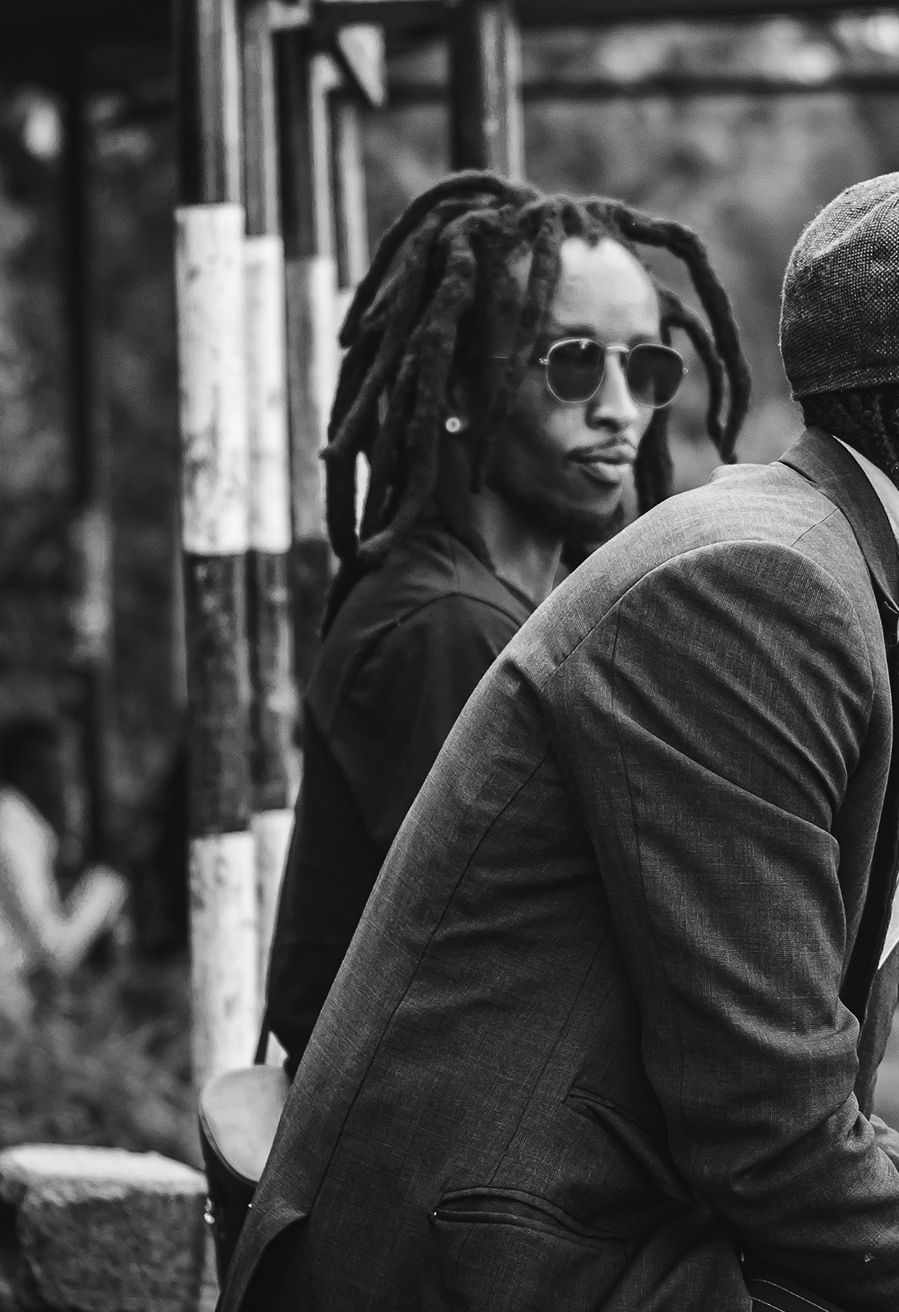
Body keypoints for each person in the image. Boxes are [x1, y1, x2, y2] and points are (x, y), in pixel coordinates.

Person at [208, 167, 899, 1312]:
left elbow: (801, 1098)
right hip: (498, 1294)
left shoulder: (835, 582)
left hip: (603, 1244)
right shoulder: (763, 589)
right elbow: (766, 1127)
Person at [263, 170, 750, 1067]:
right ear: (459, 388)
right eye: (571, 362)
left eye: (648, 368)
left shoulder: (526, 608)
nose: (620, 411)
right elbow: (533, 971)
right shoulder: (446, 628)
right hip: (425, 1176)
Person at [0, 717, 127, 1023]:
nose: (65, 780)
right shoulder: (7, 832)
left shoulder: (20, 826)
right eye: (56, 768)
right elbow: (53, 949)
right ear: (25, 771)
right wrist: (104, 889)